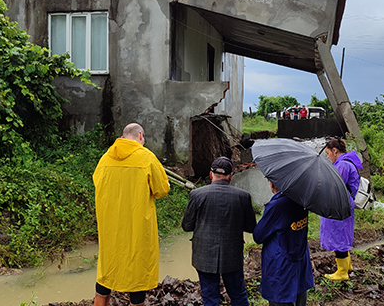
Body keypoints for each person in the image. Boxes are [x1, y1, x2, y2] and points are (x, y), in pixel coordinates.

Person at [92, 123, 170, 306]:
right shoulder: (146, 158)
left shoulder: (105, 159)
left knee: (107, 270)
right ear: (141, 136)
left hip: (111, 227)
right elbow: (161, 190)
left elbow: (97, 183)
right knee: (137, 274)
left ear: (123, 136)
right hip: (137, 226)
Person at [181, 156, 257, 306]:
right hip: (232, 257)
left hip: (204, 257)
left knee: (210, 299)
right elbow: (251, 227)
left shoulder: (197, 195)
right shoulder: (243, 197)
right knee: (239, 296)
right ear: (231, 176)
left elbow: (186, 226)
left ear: (211, 174)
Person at [253, 179, 314, 306]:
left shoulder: (276, 206)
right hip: (300, 257)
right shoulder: (301, 199)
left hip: (281, 264)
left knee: (280, 299)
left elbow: (258, 236)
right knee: (299, 295)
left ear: (272, 184)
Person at [321, 138, 360, 280]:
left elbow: (335, 186)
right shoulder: (347, 162)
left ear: (335, 151)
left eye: (328, 153)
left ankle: (342, 272)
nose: (327, 157)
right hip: (344, 204)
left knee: (338, 237)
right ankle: (347, 265)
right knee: (343, 235)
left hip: (339, 205)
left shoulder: (342, 165)